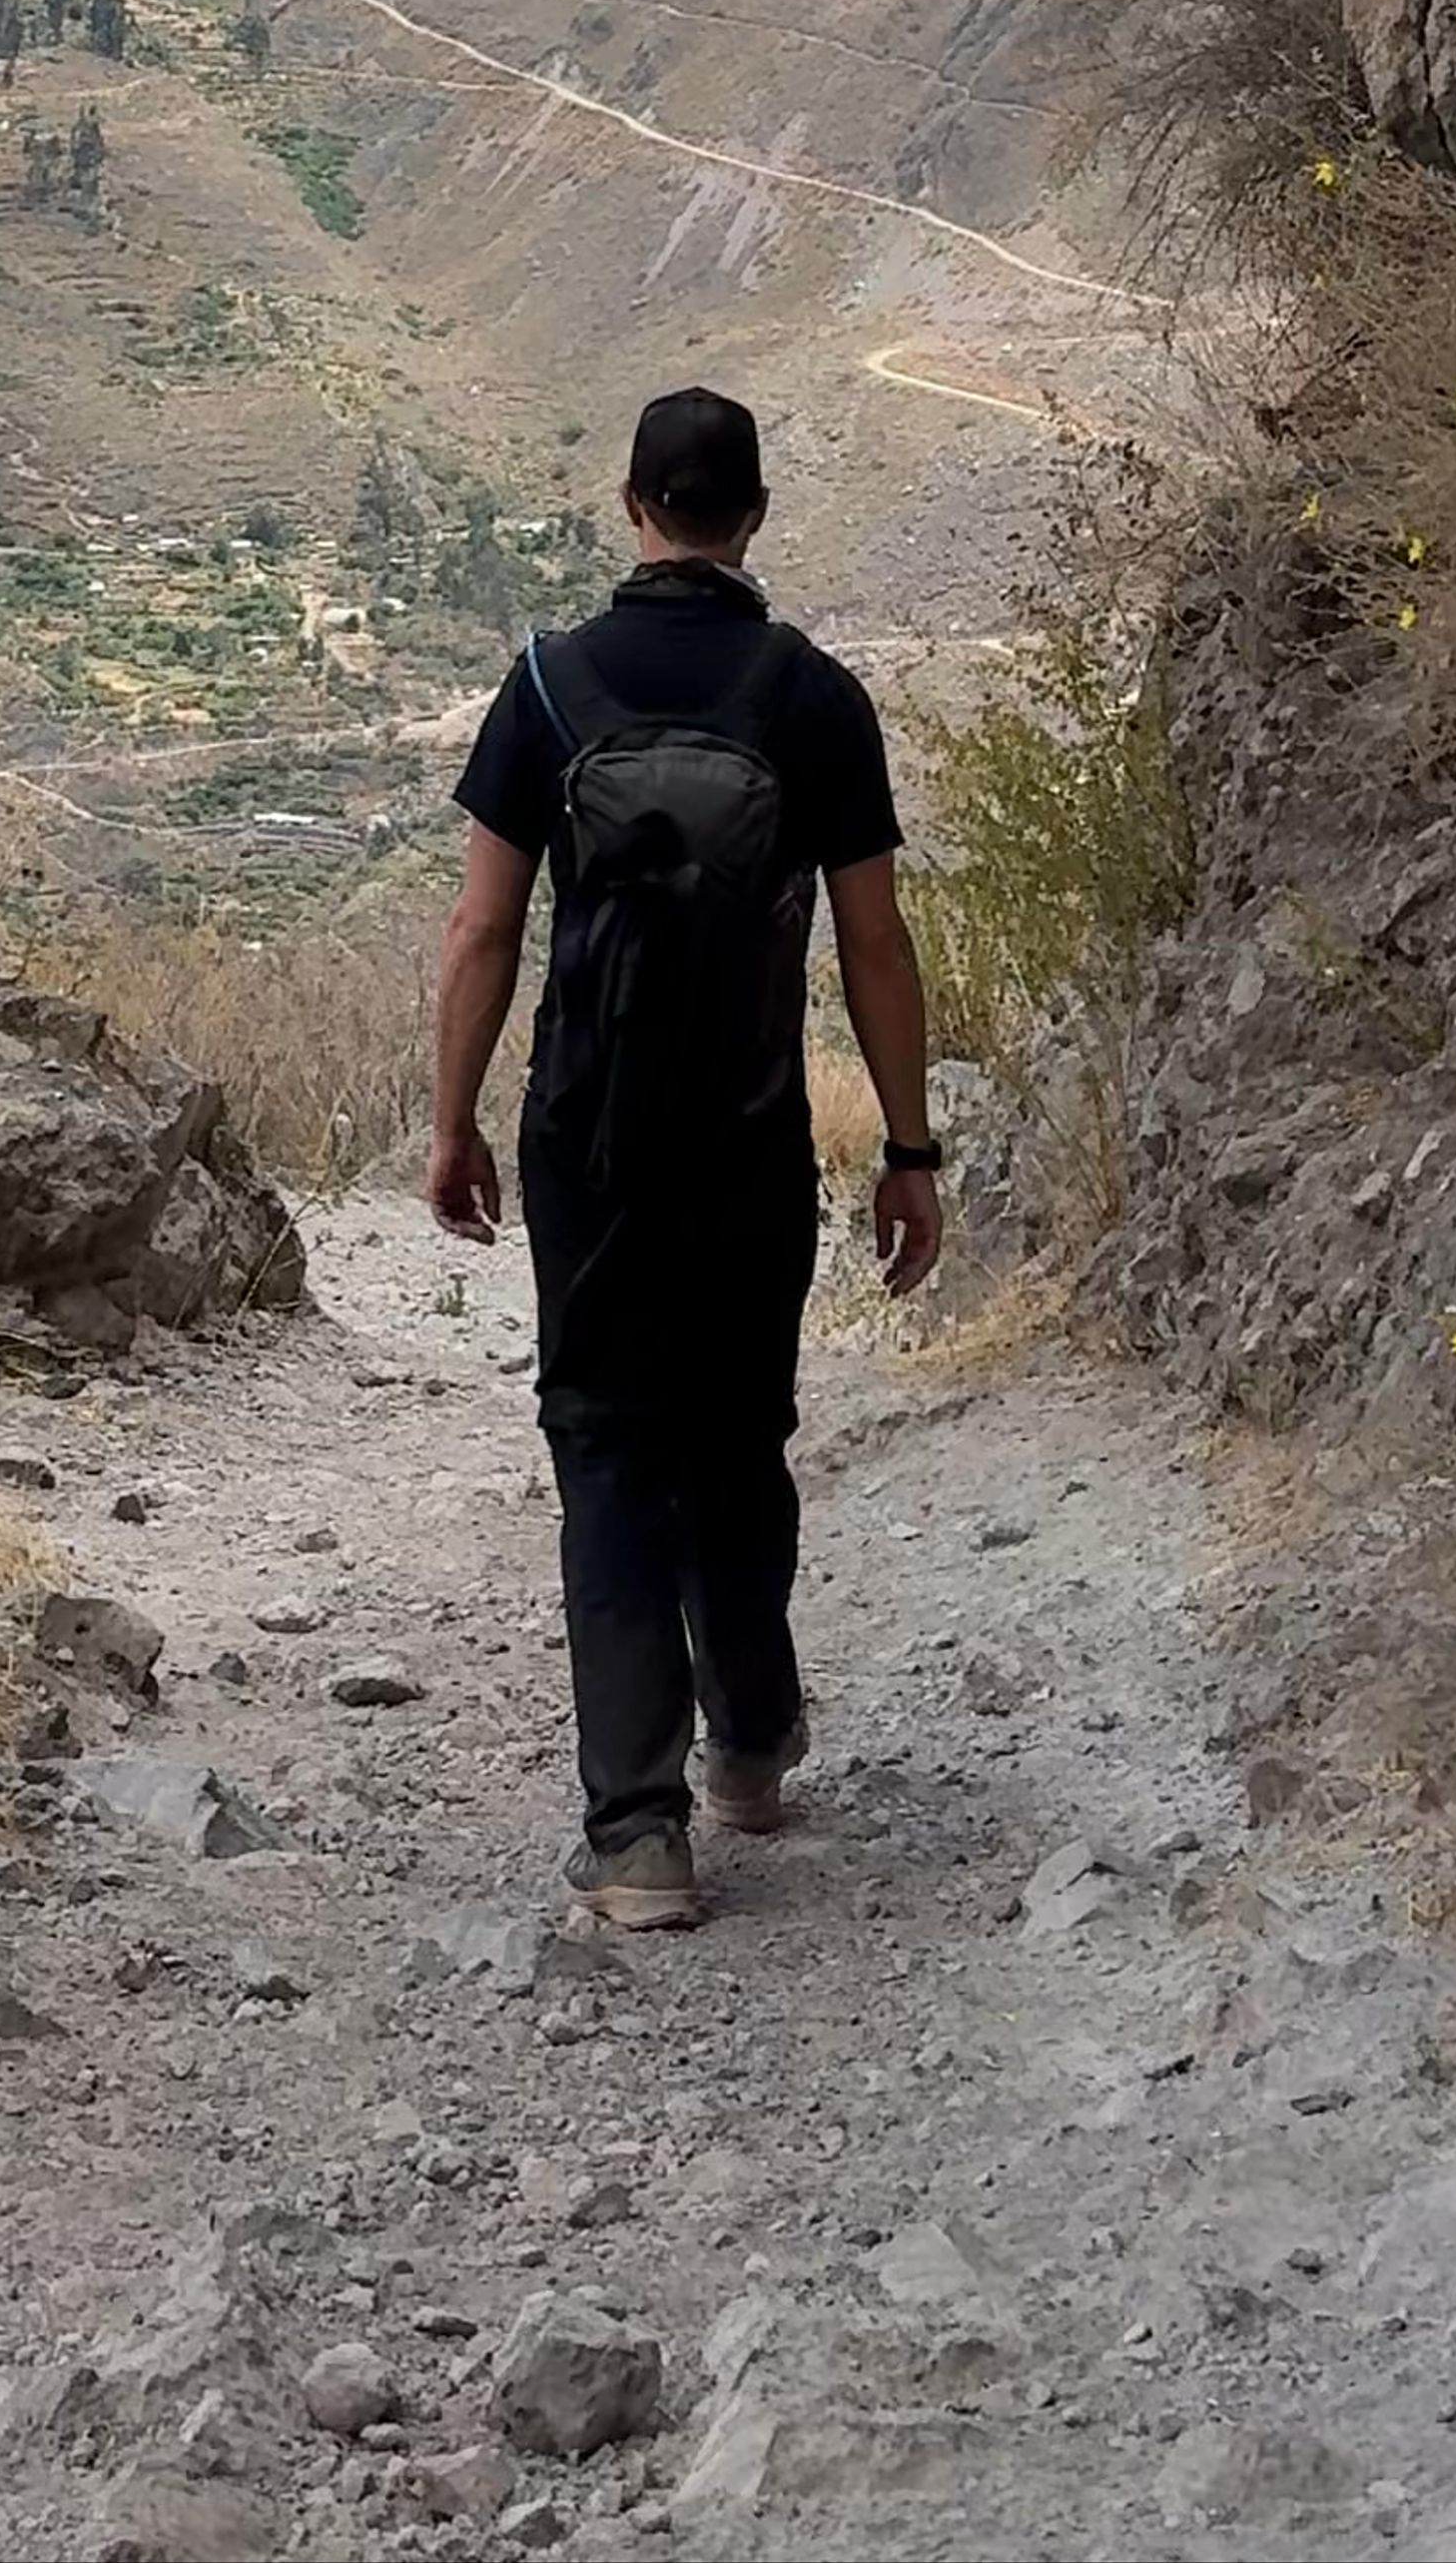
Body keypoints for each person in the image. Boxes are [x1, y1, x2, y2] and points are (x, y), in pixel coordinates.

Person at [428, 380, 941, 1930]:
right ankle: (753, 1743)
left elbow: (484, 927)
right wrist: (907, 1148)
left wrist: (452, 1120)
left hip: (585, 1142)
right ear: (755, 517)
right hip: (748, 1136)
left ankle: (637, 1833)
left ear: (632, 506)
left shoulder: (548, 685)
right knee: (737, 1429)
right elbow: (874, 942)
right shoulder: (814, 696)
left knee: (604, 1444)